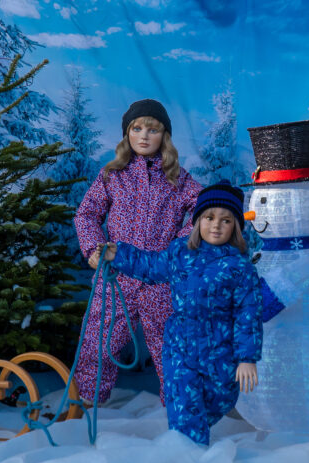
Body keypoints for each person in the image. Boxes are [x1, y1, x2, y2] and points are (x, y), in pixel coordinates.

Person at [95, 180, 262, 445]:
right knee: (183, 405)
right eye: (209, 217)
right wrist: (119, 254)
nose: (216, 225)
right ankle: (187, 459)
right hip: (180, 345)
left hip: (220, 350)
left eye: (226, 220)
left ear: (236, 226)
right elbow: (149, 265)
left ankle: (191, 443)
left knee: (220, 399)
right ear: (198, 221)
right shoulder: (180, 253)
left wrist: (247, 357)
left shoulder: (239, 269)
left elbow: (248, 315)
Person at [74, 99, 202, 404]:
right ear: (127, 134)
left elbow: (203, 211)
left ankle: (180, 409)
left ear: (164, 136)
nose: (144, 136)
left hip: (160, 278)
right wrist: (94, 247)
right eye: (137, 128)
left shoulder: (178, 178)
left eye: (153, 130)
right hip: (117, 276)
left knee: (172, 346)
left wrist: (176, 250)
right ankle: (87, 404)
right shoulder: (113, 174)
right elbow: (86, 214)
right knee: (98, 342)